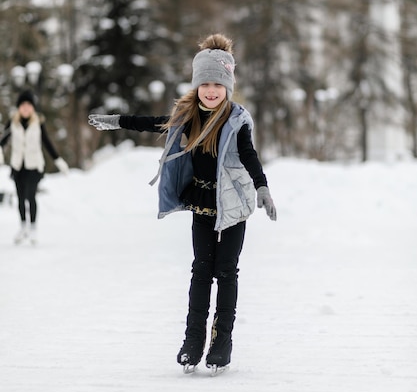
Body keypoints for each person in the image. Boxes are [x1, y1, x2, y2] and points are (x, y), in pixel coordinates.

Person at [88, 33, 276, 372]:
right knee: (201, 271)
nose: (211, 90)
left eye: (217, 83)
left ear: (228, 85)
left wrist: (262, 187)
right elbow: (152, 124)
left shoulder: (237, 119)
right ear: (196, 85)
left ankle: (222, 343)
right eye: (204, 83)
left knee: (226, 272)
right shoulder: (187, 115)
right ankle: (192, 341)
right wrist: (117, 122)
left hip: (233, 205)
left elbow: (249, 155)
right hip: (203, 201)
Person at [0, 90, 69, 244]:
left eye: (28, 105)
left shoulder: (38, 122)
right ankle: (23, 226)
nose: (25, 108)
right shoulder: (13, 122)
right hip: (18, 166)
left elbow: (47, 142)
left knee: (31, 197)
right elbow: (3, 140)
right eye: (23, 105)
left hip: (34, 166)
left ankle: (33, 229)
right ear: (19, 107)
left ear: (32, 107)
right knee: (20, 198)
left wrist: (58, 160)